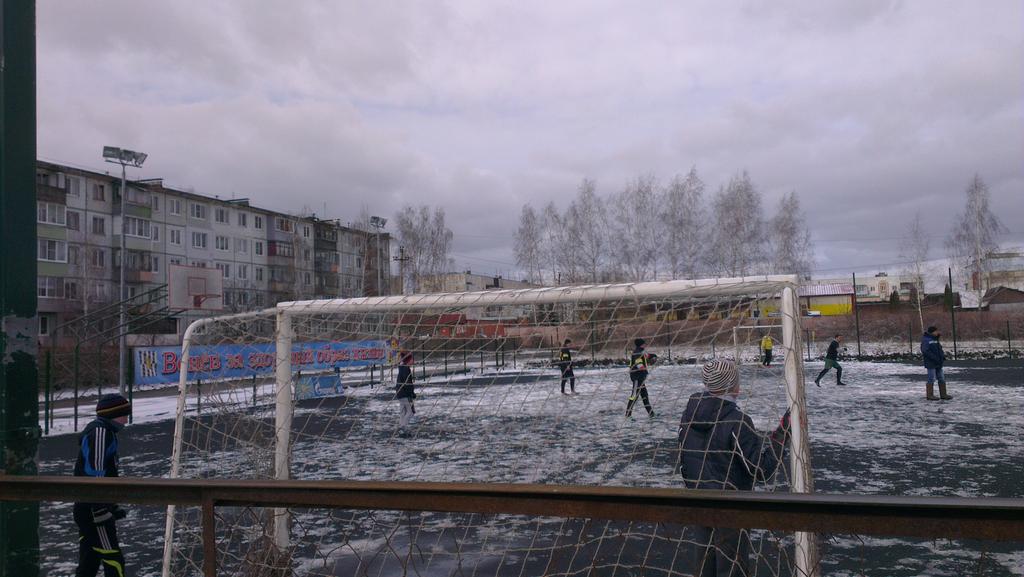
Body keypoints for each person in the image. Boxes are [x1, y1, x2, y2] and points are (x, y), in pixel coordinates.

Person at [677, 359, 791, 576]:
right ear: (733, 385)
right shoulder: (737, 421)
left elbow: (685, 459)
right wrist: (781, 435)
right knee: (732, 567)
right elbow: (761, 470)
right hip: (730, 508)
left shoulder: (688, 415)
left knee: (704, 566)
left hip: (699, 502)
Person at [74, 393, 131, 577]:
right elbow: (95, 473)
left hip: (90, 507)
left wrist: (112, 505)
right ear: (112, 415)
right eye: (124, 413)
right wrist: (100, 509)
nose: (127, 417)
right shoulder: (100, 432)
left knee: (89, 560)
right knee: (114, 560)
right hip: (93, 510)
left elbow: (107, 472)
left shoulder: (106, 432)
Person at [626, 338, 657, 418]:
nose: (645, 344)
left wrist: (653, 356)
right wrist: (646, 367)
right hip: (637, 377)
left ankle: (651, 414)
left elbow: (647, 356)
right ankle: (627, 415)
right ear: (641, 344)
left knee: (645, 396)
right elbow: (639, 365)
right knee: (634, 396)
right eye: (644, 343)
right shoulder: (637, 352)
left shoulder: (641, 351)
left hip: (641, 378)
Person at [921, 326, 952, 401]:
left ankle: (943, 394)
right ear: (932, 332)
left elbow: (939, 349)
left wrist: (942, 356)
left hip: (938, 362)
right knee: (931, 378)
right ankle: (930, 395)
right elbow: (925, 351)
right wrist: (935, 358)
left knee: (941, 378)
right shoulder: (926, 340)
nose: (937, 332)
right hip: (931, 363)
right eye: (936, 331)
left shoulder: (935, 339)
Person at [395, 350, 416, 428]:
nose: (413, 361)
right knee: (411, 412)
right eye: (412, 359)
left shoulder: (401, 367)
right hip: (405, 393)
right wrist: (412, 394)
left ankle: (401, 426)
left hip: (399, 392)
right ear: (408, 360)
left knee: (403, 411)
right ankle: (403, 427)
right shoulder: (406, 369)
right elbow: (407, 383)